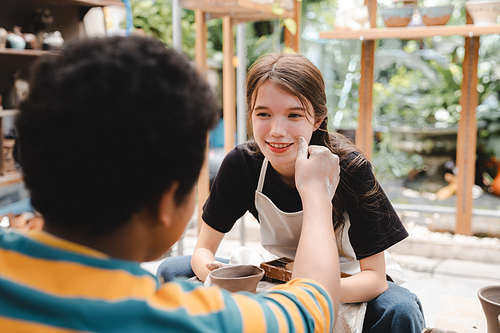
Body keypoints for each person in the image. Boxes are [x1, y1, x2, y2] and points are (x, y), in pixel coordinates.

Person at [0, 36, 342, 332]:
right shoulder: (186, 321)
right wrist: (315, 193)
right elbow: (314, 308)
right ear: (164, 202)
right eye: (263, 113)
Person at [157, 53, 426, 333]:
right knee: (174, 269)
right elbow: (202, 249)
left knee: (401, 309)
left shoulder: (350, 169)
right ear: (250, 113)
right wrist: (214, 274)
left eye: (294, 115)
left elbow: (375, 279)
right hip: (279, 275)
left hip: (349, 282)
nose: (277, 131)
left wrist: (298, 293)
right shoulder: (243, 164)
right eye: (264, 114)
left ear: (318, 119)